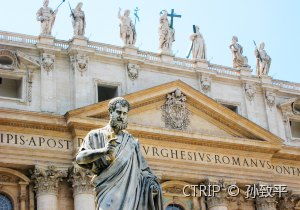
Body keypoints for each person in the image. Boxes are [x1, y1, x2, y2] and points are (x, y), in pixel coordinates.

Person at [76, 97, 163, 210]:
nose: (121, 116)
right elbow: (80, 159)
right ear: (110, 112)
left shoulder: (132, 142)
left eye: (124, 113)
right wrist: (103, 151)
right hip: (107, 192)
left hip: (131, 198)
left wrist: (152, 185)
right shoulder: (95, 135)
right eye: (118, 112)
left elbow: (144, 172)